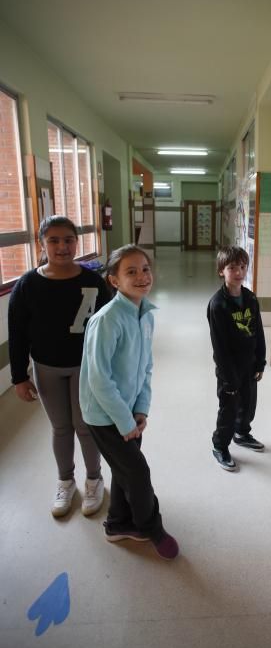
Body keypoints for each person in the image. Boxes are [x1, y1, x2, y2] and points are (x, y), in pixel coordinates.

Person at [79, 245, 178, 560]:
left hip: (129, 411)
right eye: (131, 272)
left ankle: (118, 524)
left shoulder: (145, 315)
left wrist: (140, 409)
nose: (141, 277)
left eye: (145, 269)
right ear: (114, 280)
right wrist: (124, 420)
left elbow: (146, 367)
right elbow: (99, 379)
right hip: (103, 414)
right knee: (137, 472)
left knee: (124, 469)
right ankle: (151, 527)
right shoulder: (107, 320)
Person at [8, 215, 109, 518]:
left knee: (86, 426)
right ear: (42, 243)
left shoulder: (93, 282)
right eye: (53, 240)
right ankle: (66, 481)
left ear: (77, 242)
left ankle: (94, 479)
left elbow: (108, 329)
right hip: (47, 368)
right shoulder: (27, 285)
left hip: (85, 368)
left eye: (68, 239)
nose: (62, 246)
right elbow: (18, 334)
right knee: (61, 428)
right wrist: (19, 377)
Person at [207, 246, 266, 471]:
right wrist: (228, 378)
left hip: (249, 365)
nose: (239, 272)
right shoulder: (218, 305)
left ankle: (242, 434)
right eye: (232, 267)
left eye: (243, 267)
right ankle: (220, 445)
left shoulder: (250, 298)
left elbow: (259, 332)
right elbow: (219, 347)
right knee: (229, 409)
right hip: (229, 370)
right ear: (222, 270)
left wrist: (260, 361)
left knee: (248, 405)